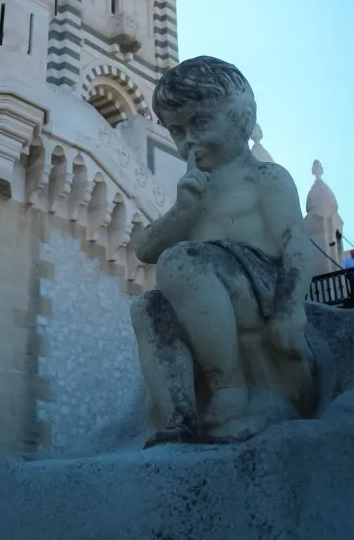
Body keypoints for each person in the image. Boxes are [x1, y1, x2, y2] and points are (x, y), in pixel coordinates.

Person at [130, 56, 316, 447]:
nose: (188, 142)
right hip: (208, 293)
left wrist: (290, 307)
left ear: (243, 119)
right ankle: (178, 417)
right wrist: (183, 211)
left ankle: (230, 389)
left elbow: (295, 242)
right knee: (146, 308)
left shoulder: (264, 177)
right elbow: (144, 248)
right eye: (177, 131)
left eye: (199, 123)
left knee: (180, 261)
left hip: (260, 288)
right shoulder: (195, 192)